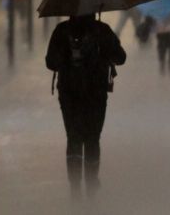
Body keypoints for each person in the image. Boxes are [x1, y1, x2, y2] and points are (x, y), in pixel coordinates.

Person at [45, 14, 127, 196]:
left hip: (68, 93)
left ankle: (74, 187)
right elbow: (121, 58)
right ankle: (91, 183)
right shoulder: (102, 30)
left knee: (73, 137)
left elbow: (50, 62)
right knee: (92, 138)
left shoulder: (61, 30)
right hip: (96, 93)